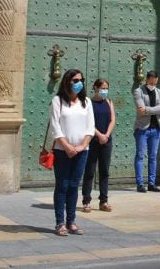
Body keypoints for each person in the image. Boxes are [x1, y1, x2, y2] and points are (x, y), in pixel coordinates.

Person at [49, 68, 94, 237]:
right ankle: (60, 222)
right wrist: (67, 146)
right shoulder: (57, 101)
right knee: (62, 185)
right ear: (67, 81)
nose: (79, 83)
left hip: (82, 151)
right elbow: (55, 126)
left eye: (81, 80)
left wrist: (82, 146)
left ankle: (71, 221)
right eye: (75, 80)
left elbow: (90, 127)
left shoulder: (86, 102)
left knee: (74, 185)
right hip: (62, 151)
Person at [82, 78, 115, 213]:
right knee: (89, 171)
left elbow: (112, 119)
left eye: (106, 88)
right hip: (93, 140)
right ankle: (86, 201)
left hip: (106, 140)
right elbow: (88, 122)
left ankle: (104, 201)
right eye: (102, 88)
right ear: (95, 88)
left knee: (104, 171)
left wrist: (106, 135)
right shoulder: (88, 102)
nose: (104, 91)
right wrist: (99, 135)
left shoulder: (109, 102)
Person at [134, 70, 160, 193]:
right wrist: (153, 109)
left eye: (155, 80)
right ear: (147, 79)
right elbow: (139, 107)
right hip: (142, 128)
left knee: (153, 156)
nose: (153, 82)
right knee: (140, 155)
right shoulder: (138, 91)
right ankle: (140, 184)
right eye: (151, 79)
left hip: (156, 128)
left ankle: (152, 183)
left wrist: (146, 110)